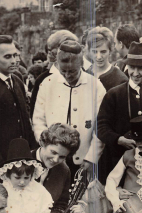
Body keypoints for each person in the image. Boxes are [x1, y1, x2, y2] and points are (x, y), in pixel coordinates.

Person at [97, 41, 142, 184]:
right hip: (117, 163)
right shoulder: (114, 94)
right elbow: (101, 127)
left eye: (141, 68)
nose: (135, 73)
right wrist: (118, 139)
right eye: (132, 67)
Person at [33, 40, 106, 179]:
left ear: (81, 65)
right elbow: (38, 119)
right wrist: (46, 147)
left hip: (83, 160)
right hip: (52, 160)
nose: (67, 75)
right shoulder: (47, 83)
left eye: (72, 71)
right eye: (63, 71)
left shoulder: (95, 86)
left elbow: (101, 126)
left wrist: (91, 157)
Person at [0, 35, 36, 179]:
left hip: (21, 162)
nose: (14, 61)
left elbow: (25, 122)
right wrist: (1, 167)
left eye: (16, 55)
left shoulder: (17, 81)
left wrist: (31, 154)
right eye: (8, 56)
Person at [0, 138, 53, 213]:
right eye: (17, 178)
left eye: (27, 178)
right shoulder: (3, 191)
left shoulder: (36, 189)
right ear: (8, 174)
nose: (22, 182)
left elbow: (43, 208)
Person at [29, 30, 78, 118]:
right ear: (53, 54)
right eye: (66, 50)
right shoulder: (42, 80)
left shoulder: (86, 77)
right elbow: (36, 117)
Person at [86, 26, 128, 91]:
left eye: (103, 52)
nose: (99, 57)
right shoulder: (84, 75)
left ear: (110, 51)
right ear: (89, 51)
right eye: (94, 52)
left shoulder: (121, 79)